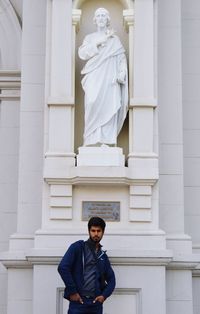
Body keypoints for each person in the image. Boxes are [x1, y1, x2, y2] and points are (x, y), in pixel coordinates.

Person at [78, 8, 128, 146]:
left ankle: (106, 140)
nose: (100, 18)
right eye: (98, 16)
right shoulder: (90, 38)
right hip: (94, 74)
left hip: (110, 78)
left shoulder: (115, 40)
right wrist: (99, 42)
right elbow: (82, 54)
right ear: (95, 20)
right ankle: (91, 139)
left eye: (103, 16)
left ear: (107, 20)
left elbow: (121, 57)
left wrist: (122, 72)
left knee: (109, 105)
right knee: (92, 102)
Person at [58, 217, 116, 314]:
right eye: (93, 230)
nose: (96, 234)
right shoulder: (78, 247)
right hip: (78, 303)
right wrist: (72, 292)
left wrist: (103, 296)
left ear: (103, 232)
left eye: (99, 231)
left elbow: (112, 280)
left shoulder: (103, 256)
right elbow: (63, 267)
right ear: (89, 231)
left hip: (95, 305)